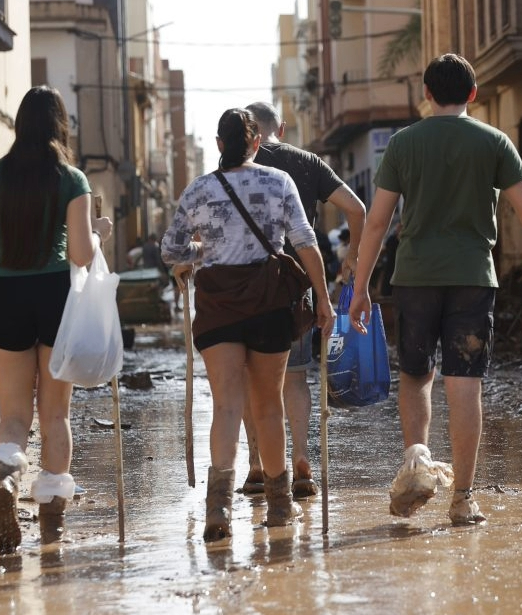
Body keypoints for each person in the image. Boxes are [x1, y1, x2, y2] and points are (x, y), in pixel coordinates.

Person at [348, 54, 522, 526]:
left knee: (415, 375)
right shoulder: (494, 142)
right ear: (473, 94)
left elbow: (378, 222)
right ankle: (463, 498)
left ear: (426, 95)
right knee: (465, 384)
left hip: (415, 277)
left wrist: (360, 286)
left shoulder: (404, 144)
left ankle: (417, 463)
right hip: (472, 277)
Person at [161, 108, 334, 542]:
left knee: (226, 407)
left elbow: (172, 249)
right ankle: (278, 505)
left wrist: (200, 254)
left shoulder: (198, 190)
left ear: (219, 144)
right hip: (269, 304)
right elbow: (304, 242)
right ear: (258, 143)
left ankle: (217, 509)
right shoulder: (278, 182)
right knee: (269, 406)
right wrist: (324, 299)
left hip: (218, 306)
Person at [0, 85, 113, 554]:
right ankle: (51, 520)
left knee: (12, 415)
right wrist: (98, 232)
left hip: (6, 294)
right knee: (55, 413)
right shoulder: (71, 178)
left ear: (18, 124)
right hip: (57, 297)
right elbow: (83, 255)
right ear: (59, 125)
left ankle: (5, 480)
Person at [238, 101, 366, 499]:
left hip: (244, 286)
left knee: (250, 379)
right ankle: (301, 460)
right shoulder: (307, 162)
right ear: (283, 128)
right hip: (296, 285)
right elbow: (357, 209)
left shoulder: (236, 162)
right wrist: (352, 256)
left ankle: (257, 465)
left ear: (249, 131)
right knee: (295, 377)